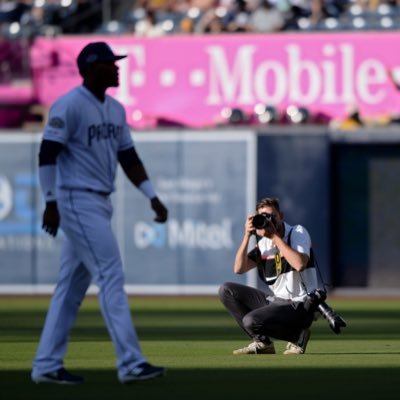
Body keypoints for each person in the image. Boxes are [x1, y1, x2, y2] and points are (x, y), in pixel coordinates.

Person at [31, 41, 168, 384]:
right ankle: (131, 362)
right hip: (75, 198)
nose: (117, 68)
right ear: (92, 68)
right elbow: (47, 153)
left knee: (70, 288)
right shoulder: (69, 105)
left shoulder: (116, 109)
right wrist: (50, 201)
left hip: (98, 202)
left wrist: (151, 196)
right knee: (110, 275)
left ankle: (46, 365)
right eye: (110, 63)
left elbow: (129, 158)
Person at [218, 197, 318, 355]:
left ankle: (298, 336)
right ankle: (263, 343)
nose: (269, 221)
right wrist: (247, 236)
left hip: (301, 304)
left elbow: (299, 264)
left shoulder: (297, 232)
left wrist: (274, 237)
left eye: (272, 216)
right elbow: (239, 268)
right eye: (264, 217)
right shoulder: (263, 244)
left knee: (251, 321)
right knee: (226, 290)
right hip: (278, 302)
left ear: (281, 216)